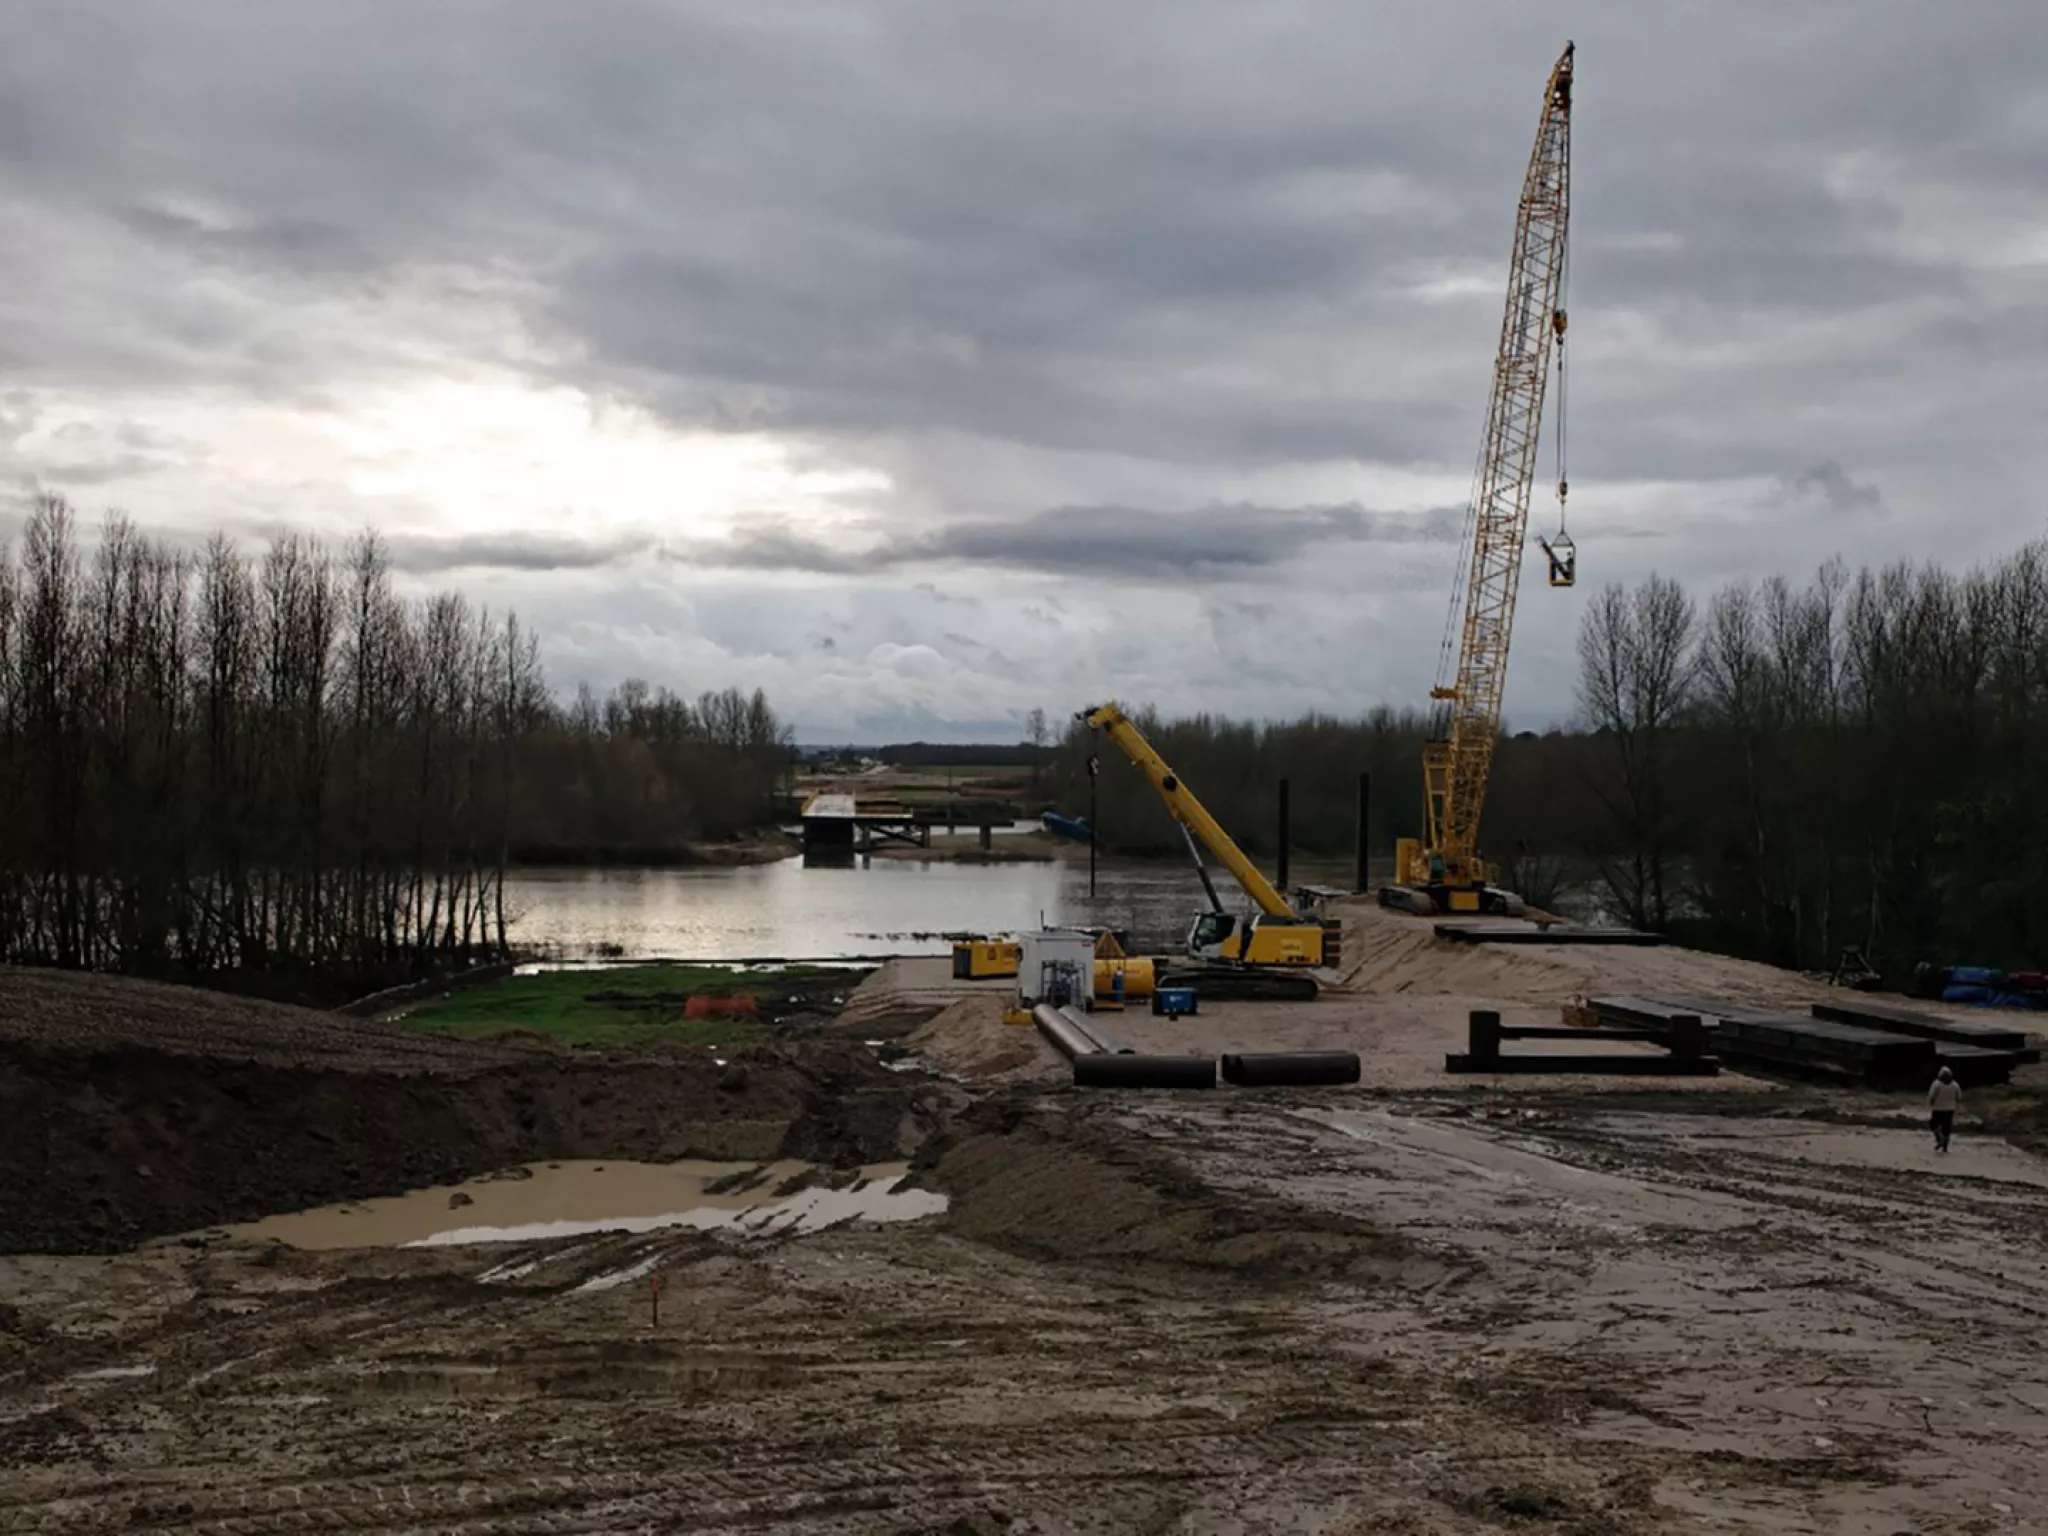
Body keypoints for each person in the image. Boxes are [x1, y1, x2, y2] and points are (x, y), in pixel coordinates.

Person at [1928, 1067, 1962, 1153]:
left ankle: (1939, 1138)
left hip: (1937, 1109)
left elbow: (1931, 1095)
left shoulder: (1936, 1084)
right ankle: (1945, 1147)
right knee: (1946, 1128)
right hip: (1950, 1109)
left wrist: (1931, 1103)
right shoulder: (1955, 1084)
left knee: (1933, 1125)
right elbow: (1959, 1097)